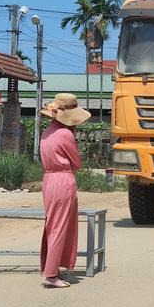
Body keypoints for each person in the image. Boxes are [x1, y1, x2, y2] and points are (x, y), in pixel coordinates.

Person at [38, 93, 91, 289]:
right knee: (61, 226)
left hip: (48, 179)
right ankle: (51, 275)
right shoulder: (65, 134)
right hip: (63, 179)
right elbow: (76, 163)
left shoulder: (47, 132)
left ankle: (52, 268)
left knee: (52, 225)